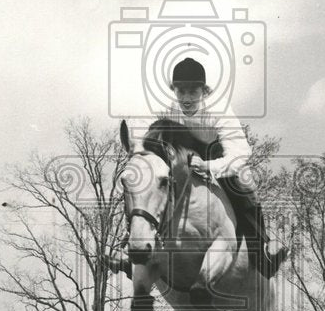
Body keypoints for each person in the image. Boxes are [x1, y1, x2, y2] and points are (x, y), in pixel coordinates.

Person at [119, 55, 287, 278]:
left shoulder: (219, 110)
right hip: (181, 158)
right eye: (181, 92)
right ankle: (131, 242)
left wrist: (209, 167)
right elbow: (140, 125)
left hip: (216, 157)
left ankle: (262, 250)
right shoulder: (168, 108)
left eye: (193, 92)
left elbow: (241, 152)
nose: (186, 99)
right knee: (142, 182)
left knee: (244, 183)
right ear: (174, 91)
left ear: (204, 92)